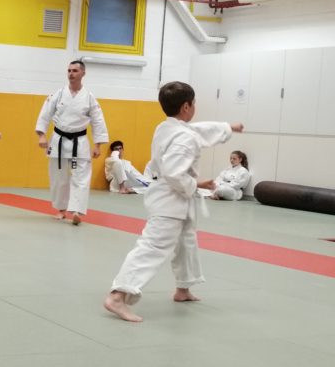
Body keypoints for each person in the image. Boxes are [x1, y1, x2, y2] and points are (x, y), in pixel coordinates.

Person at [103, 81, 244, 322]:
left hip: (172, 196)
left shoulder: (167, 128)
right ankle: (118, 295)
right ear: (187, 106)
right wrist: (197, 184)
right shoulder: (183, 138)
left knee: (186, 241)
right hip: (171, 199)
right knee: (153, 246)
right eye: (194, 103)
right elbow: (175, 173)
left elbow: (197, 131)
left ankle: (183, 288)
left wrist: (226, 128)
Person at [35, 60, 109, 225]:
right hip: (58, 140)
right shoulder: (58, 94)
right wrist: (41, 135)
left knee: (81, 178)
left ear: (83, 73)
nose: (71, 74)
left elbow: (98, 121)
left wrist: (98, 145)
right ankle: (61, 209)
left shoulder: (89, 97)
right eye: (69, 70)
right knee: (58, 178)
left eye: (75, 71)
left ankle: (77, 211)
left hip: (79, 141)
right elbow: (45, 114)